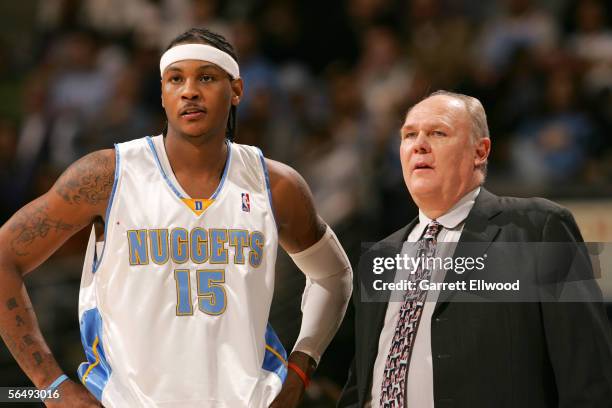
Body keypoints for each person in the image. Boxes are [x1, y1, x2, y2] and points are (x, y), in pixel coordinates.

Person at [0, 28, 353, 407]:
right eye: (175, 79)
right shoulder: (107, 175)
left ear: (236, 90)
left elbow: (334, 276)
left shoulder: (276, 185)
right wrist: (51, 385)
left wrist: (302, 366)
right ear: (164, 94)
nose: (190, 90)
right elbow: (5, 257)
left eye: (206, 77)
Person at [338, 90, 612, 407]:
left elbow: (588, 374)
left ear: (480, 152)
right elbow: (361, 384)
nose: (419, 144)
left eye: (437, 132)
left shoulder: (537, 227)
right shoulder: (378, 258)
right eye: (409, 135)